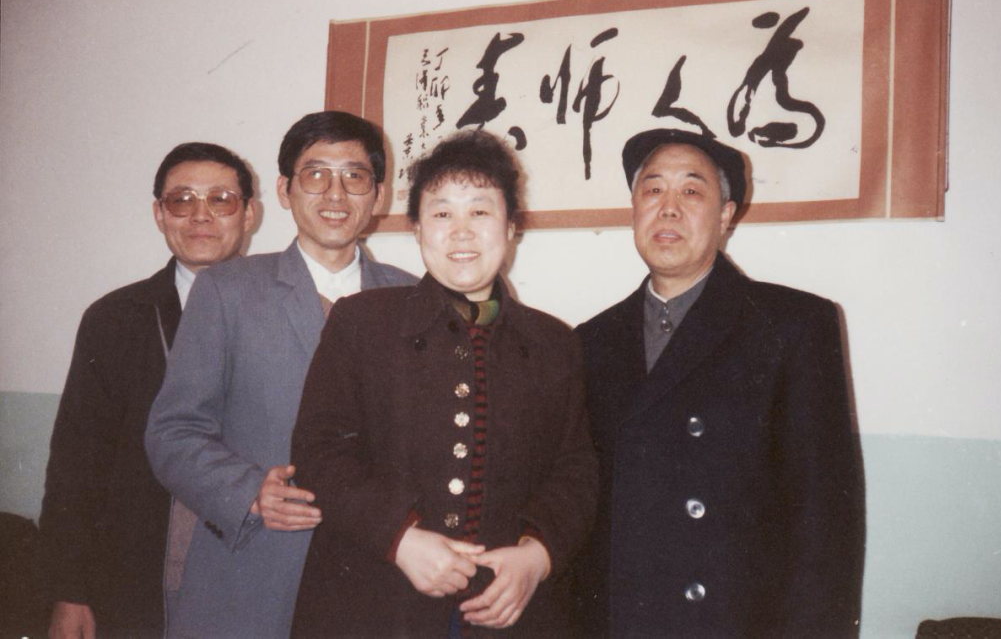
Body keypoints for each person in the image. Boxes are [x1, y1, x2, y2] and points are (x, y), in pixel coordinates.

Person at [289, 130, 598, 638]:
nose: (461, 232)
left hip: (508, 611)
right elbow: (319, 451)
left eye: (479, 212)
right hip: (375, 603)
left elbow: (577, 471)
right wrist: (400, 539)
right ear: (417, 229)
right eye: (441, 214)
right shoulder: (361, 322)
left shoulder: (553, 342)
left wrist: (538, 556)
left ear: (511, 227)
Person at [574, 128, 865, 637]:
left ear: (726, 215)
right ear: (634, 209)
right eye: (653, 189)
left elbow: (826, 528)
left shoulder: (791, 325)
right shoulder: (590, 341)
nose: (668, 208)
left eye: (691, 191)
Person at [145, 111, 417, 638]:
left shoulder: (408, 297)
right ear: (285, 191)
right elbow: (172, 431)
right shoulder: (227, 290)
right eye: (315, 174)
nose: (335, 193)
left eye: (354, 176)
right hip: (254, 571)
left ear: (379, 196)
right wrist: (249, 490)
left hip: (373, 573)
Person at [38, 142, 256, 638]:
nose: (200, 215)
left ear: (248, 214)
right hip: (137, 571)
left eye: (220, 199)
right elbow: (77, 462)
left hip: (254, 561)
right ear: (159, 214)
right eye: (182, 200)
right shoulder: (114, 319)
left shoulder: (286, 310)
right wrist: (69, 590)